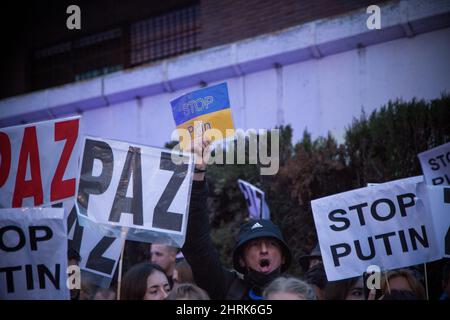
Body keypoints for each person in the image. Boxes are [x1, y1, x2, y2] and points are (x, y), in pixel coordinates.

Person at [182, 134, 292, 300]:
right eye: (255, 245)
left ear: (283, 257)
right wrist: (197, 173)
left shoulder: (302, 293)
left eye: (271, 244)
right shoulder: (226, 289)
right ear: (241, 260)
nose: (264, 250)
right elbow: (195, 243)